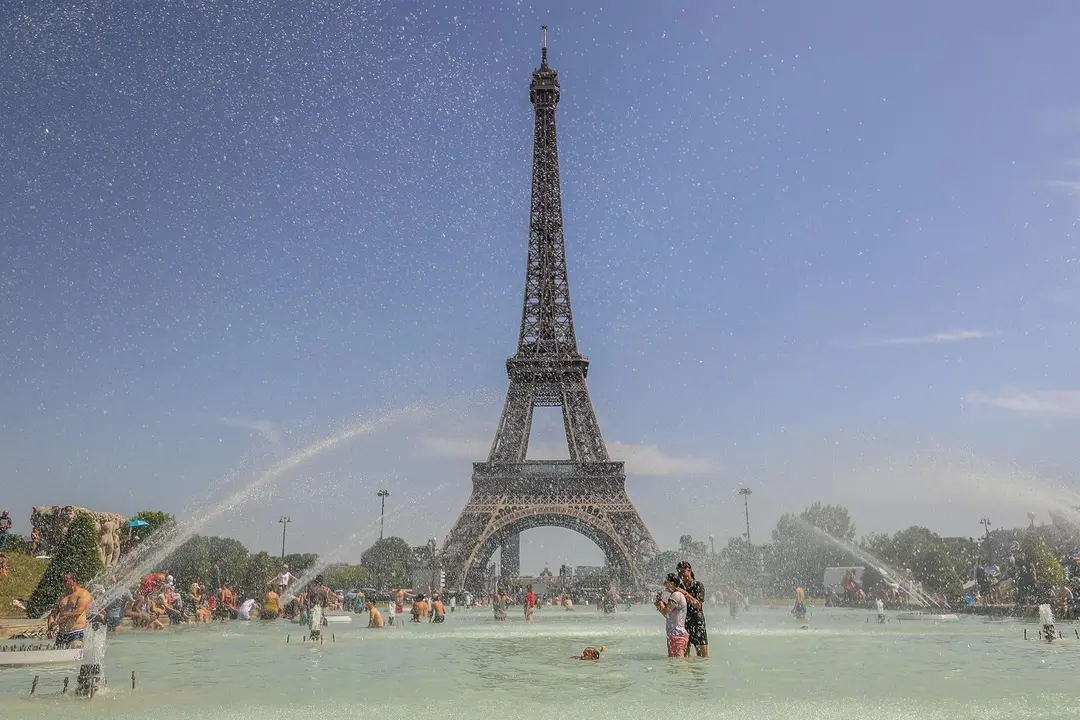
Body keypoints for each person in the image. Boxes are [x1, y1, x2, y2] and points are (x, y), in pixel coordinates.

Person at [48, 573, 92, 647]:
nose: (64, 583)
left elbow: (79, 611)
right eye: (63, 581)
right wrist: (50, 628)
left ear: (73, 580)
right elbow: (53, 614)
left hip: (76, 631)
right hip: (61, 633)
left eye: (66, 580)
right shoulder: (62, 596)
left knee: (74, 653)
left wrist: (62, 617)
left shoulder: (83, 593)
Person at [676, 561, 709, 657]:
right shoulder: (680, 587)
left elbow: (698, 605)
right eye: (679, 572)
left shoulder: (698, 585)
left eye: (683, 571)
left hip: (697, 622)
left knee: (703, 656)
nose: (681, 574)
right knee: (684, 656)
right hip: (684, 623)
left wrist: (685, 594)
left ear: (689, 570)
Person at [655, 572, 690, 658]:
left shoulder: (676, 595)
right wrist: (660, 604)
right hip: (675, 635)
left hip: (677, 634)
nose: (664, 584)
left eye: (666, 582)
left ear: (672, 583)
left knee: (677, 665)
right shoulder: (675, 595)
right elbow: (668, 612)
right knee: (674, 664)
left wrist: (659, 602)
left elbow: (666, 613)